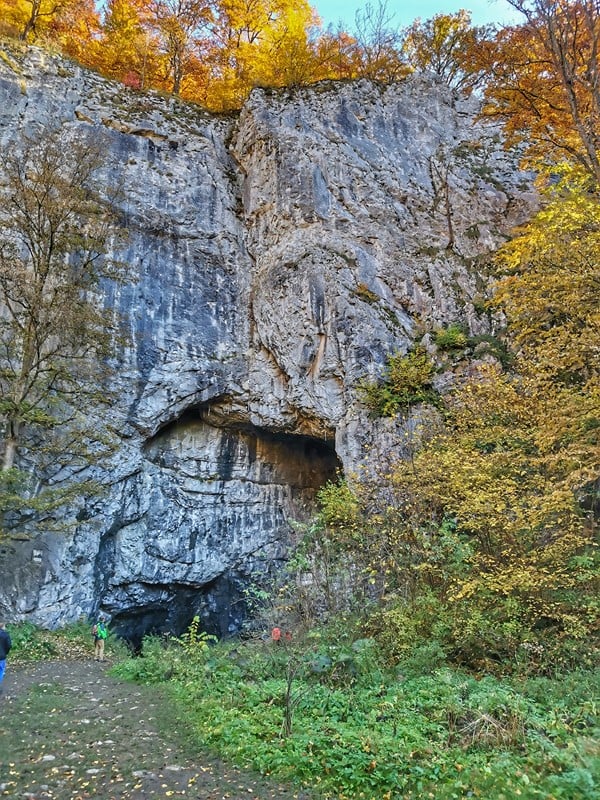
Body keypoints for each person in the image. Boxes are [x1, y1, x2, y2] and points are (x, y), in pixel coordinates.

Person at [0, 622, 12, 690]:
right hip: (1, 656)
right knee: (1, 671)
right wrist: (5, 652)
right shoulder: (5, 635)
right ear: (3, 627)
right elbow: (9, 645)